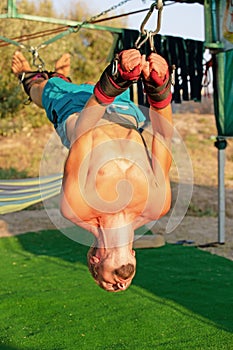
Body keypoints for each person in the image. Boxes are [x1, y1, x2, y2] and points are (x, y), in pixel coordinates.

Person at [11, 48, 173, 292]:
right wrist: (159, 90)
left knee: (42, 89)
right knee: (88, 83)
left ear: (94, 261)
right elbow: (162, 136)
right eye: (123, 285)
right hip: (123, 110)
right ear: (133, 256)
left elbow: (83, 137)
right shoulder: (157, 206)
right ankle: (64, 75)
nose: (120, 285)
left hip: (76, 110)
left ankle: (26, 75)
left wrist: (111, 84)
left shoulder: (77, 210)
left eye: (108, 284)